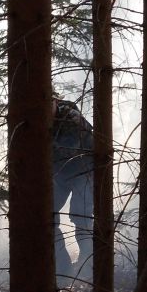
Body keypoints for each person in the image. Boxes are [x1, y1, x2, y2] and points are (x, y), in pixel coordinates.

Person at [52, 97, 94, 279]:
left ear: (53, 102)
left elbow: (68, 151)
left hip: (85, 170)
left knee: (81, 217)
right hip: (61, 174)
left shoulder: (71, 117)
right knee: (47, 215)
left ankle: (88, 269)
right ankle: (63, 271)